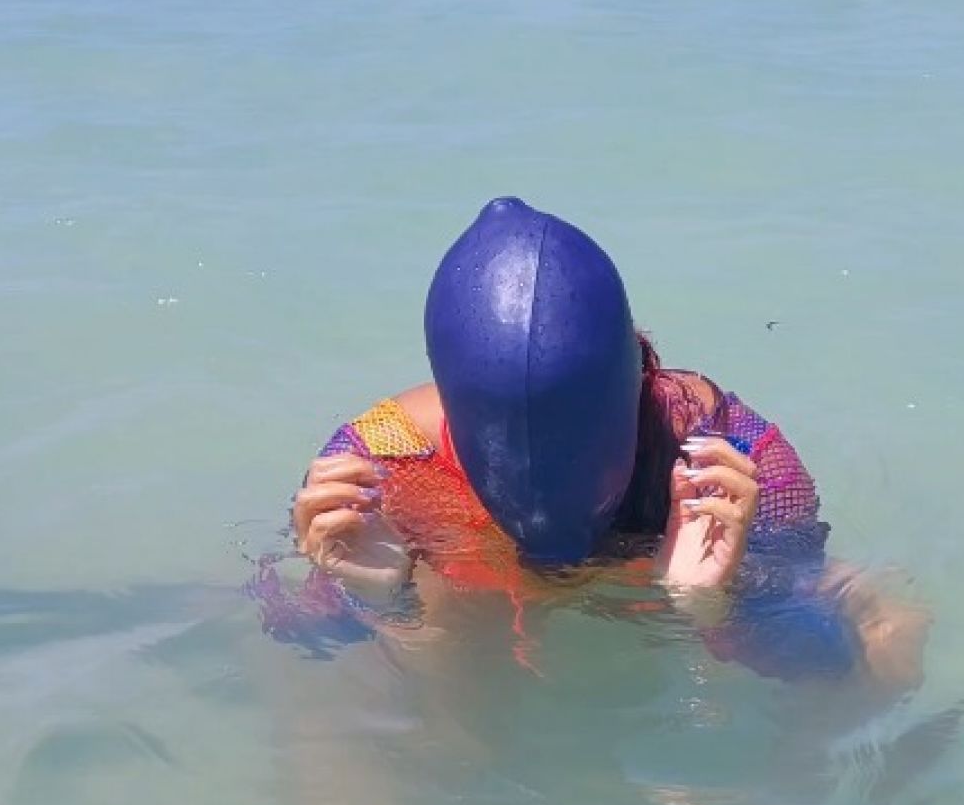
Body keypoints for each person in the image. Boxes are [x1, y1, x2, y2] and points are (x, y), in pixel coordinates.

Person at [253, 197, 928, 691]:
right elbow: (294, 631)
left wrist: (713, 605)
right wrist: (378, 596)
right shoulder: (383, 464)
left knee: (896, 628)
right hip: (474, 650)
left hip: (637, 659)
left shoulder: (731, 459)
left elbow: (836, 667)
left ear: (644, 371)